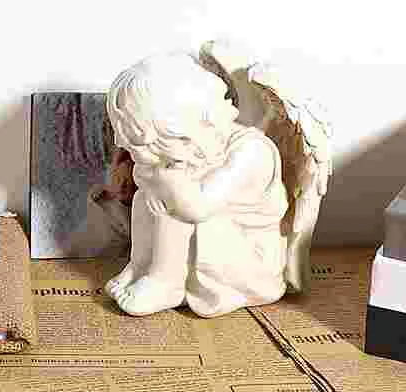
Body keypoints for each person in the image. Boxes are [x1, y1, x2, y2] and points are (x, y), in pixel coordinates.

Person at [104, 54, 287, 318]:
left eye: (156, 147)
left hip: (249, 261)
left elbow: (198, 208)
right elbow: (144, 177)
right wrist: (156, 177)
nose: (148, 157)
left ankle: (166, 282)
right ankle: (141, 266)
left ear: (182, 129)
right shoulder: (191, 148)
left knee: (178, 206)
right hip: (210, 241)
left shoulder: (251, 150)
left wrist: (168, 182)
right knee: (147, 197)